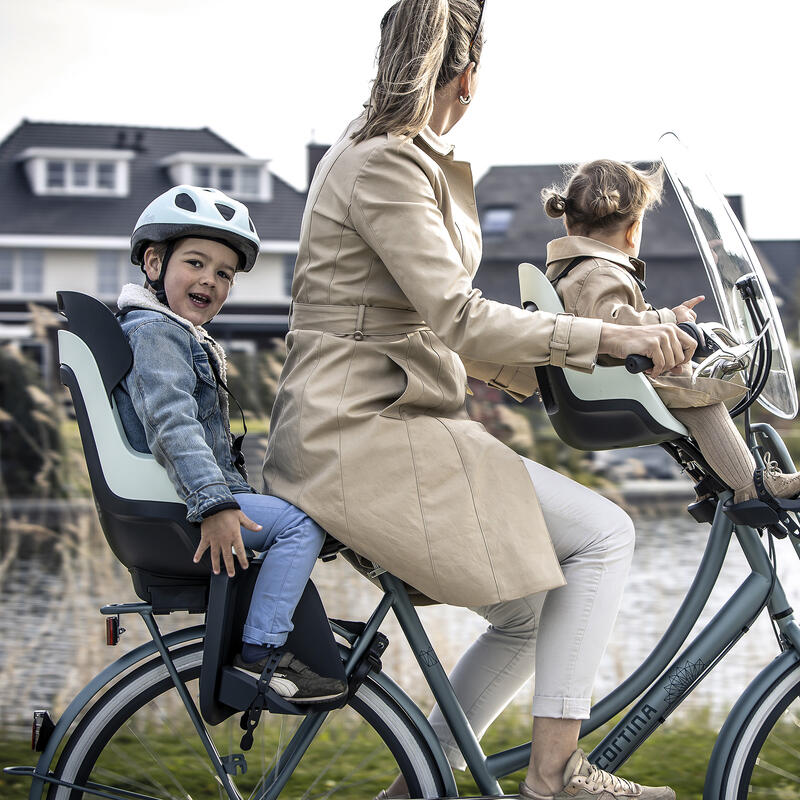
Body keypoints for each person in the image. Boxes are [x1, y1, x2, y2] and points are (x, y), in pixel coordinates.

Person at [262, 2, 686, 798]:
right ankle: (556, 776)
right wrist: (604, 340)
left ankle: (417, 790)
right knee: (604, 534)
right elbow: (457, 317)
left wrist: (571, 355)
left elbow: (437, 318)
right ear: (468, 74)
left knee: (530, 615)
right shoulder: (385, 163)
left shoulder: (384, 155)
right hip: (363, 434)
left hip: (385, 420)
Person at [114, 184, 347, 704]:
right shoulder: (156, 332)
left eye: (224, 274)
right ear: (153, 262)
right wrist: (217, 504)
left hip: (179, 499)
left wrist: (229, 493)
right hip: (181, 504)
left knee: (298, 518)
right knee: (300, 524)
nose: (210, 280)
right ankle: (261, 654)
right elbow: (172, 424)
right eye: (195, 262)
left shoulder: (170, 331)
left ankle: (295, 639)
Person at [541, 159, 800, 505]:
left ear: (570, 223)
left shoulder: (577, 271)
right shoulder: (598, 272)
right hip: (608, 390)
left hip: (602, 384)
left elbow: (613, 321)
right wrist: (670, 321)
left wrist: (668, 320)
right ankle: (752, 486)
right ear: (633, 230)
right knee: (700, 397)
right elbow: (610, 329)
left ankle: (722, 479)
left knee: (690, 383)